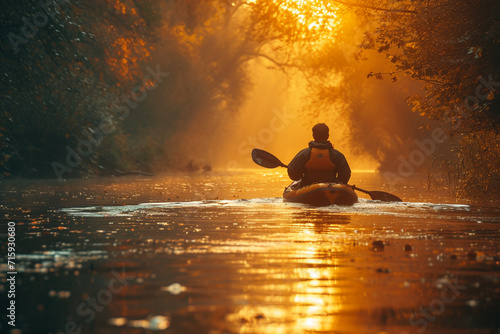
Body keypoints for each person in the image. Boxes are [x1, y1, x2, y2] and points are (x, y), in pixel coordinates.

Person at [288, 123, 351, 187]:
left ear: (313, 135)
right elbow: (345, 176)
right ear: (327, 136)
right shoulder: (337, 155)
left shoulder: (303, 154)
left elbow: (294, 175)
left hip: (307, 187)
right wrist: (337, 182)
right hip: (332, 189)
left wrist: (301, 178)